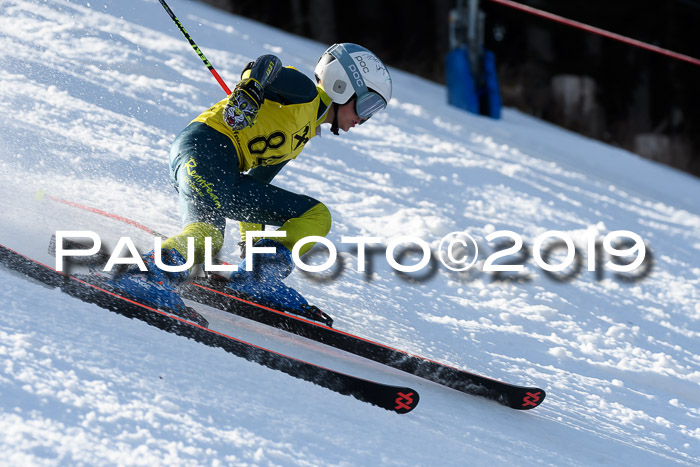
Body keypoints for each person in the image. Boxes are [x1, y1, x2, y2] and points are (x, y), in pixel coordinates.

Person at [109, 43, 393, 314]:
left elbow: (257, 184)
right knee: (306, 217)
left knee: (220, 234)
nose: (362, 120)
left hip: (216, 169)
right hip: (205, 148)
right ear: (341, 85)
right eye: (366, 105)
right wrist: (250, 88)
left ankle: (251, 276)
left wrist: (252, 247)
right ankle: (143, 275)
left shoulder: (301, 135)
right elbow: (266, 64)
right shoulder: (305, 93)